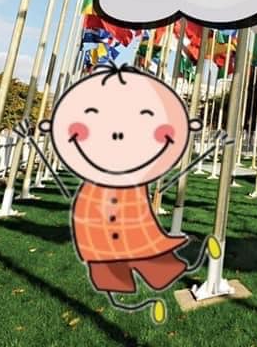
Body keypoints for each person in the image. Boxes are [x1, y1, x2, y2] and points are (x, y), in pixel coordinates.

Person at [16, 63, 230, 323]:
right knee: (113, 271)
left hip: (130, 227)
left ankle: (194, 262)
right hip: (101, 234)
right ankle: (149, 294)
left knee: (154, 262)